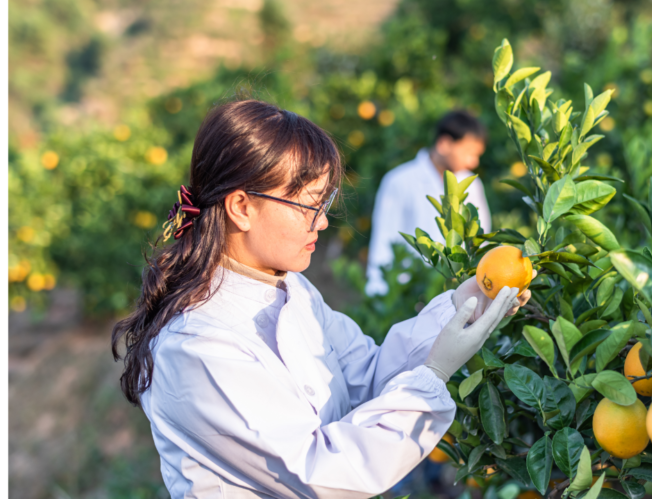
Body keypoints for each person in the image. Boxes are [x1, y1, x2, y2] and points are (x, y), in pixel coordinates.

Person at [111, 99, 533, 499]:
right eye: (310, 205)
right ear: (241, 206)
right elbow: (319, 473)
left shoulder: (291, 289)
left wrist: (460, 305)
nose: (325, 221)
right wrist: (434, 375)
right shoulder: (196, 347)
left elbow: (366, 377)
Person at [365, 110, 492, 296]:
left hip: (458, 292)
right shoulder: (400, 180)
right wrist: (379, 296)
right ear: (444, 144)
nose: (473, 162)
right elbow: (384, 239)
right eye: (468, 153)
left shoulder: (472, 185)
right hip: (408, 292)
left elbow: (480, 238)